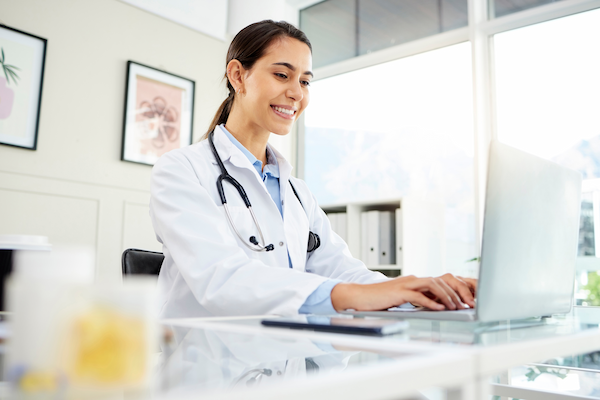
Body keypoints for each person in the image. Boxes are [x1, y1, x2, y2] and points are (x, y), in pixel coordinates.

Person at [150, 20, 476, 319]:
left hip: (284, 361)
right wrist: (358, 294)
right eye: (282, 75)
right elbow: (220, 279)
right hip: (205, 366)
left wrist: (417, 291)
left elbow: (342, 270)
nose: (297, 93)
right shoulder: (181, 170)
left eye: (305, 81)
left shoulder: (295, 191)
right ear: (238, 76)